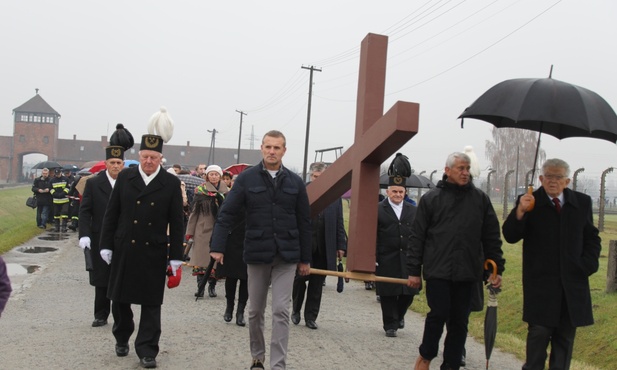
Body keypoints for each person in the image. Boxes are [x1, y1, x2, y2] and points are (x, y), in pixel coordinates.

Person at [210, 130, 311, 370]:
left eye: (277, 148)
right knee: (255, 311)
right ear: (262, 149)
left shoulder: (296, 182)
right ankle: (258, 356)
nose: (272, 151)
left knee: (280, 311)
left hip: (286, 255)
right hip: (257, 253)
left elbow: (304, 222)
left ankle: (278, 364)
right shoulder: (247, 179)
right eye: (268, 147)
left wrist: (305, 258)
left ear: (284, 151)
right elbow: (227, 213)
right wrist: (217, 246)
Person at [99, 110, 184, 369]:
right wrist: (105, 244)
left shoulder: (170, 183)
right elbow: (112, 213)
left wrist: (176, 257)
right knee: (120, 299)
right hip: (125, 247)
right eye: (145, 157)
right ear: (139, 157)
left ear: (160, 158)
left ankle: (147, 350)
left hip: (153, 250)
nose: (149, 161)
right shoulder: (126, 177)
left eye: (153, 157)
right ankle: (122, 337)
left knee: (151, 304)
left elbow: (177, 223)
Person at [407, 152, 505, 370]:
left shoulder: (480, 199)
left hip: (468, 271)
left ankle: (451, 364)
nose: (465, 173)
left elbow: (491, 237)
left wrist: (495, 269)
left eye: (467, 168)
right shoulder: (431, 199)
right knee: (438, 314)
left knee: (460, 321)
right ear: (447, 170)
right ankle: (426, 355)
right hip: (438, 270)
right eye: (460, 168)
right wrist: (414, 270)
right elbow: (417, 237)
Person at [502, 158, 601, 370]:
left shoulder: (581, 202)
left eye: (558, 177)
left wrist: (587, 265)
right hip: (541, 286)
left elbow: (592, 238)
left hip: (572, 286)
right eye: (548, 176)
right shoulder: (530, 201)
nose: (553, 181)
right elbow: (510, 235)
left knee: (564, 342)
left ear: (567, 180)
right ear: (540, 178)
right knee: (538, 336)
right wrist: (520, 210)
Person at [292, 162, 346, 330]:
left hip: (324, 246)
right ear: (310, 176)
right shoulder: (302, 192)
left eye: (321, 177)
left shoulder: (335, 196)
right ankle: (295, 310)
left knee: (317, 284)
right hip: (304, 246)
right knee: (300, 280)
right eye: (315, 177)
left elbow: (339, 222)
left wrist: (340, 245)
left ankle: (311, 317)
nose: (318, 180)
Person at [78, 144, 126, 328]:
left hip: (121, 236)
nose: (116, 166)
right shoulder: (94, 183)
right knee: (102, 278)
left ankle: (120, 315)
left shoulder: (128, 182)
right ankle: (101, 314)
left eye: (119, 162)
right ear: (106, 163)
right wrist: (84, 234)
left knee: (120, 276)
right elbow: (85, 211)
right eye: (112, 162)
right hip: (99, 236)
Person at [376, 182, 418, 338]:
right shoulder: (378, 209)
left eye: (401, 192)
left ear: (405, 192)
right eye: (394, 191)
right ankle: (390, 325)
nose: (398, 194)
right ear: (388, 192)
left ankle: (399, 316)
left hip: (407, 257)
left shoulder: (413, 210)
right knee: (388, 293)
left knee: (409, 291)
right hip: (386, 257)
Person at [185, 165, 228, 298]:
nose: (214, 176)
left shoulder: (227, 192)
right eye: (211, 174)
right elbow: (194, 213)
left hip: (219, 230)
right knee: (201, 261)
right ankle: (200, 287)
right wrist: (190, 231)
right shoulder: (200, 191)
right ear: (207, 176)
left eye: (216, 174)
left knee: (215, 262)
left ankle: (212, 287)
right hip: (202, 229)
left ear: (220, 176)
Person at [49, 167, 70, 232]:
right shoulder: (52, 180)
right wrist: (55, 194)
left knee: (65, 213)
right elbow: (50, 189)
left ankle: (64, 227)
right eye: (56, 174)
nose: (57, 175)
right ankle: (57, 227)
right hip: (56, 200)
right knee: (56, 214)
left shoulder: (65, 179)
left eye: (58, 174)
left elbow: (68, 188)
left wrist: (63, 193)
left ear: (61, 173)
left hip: (64, 200)